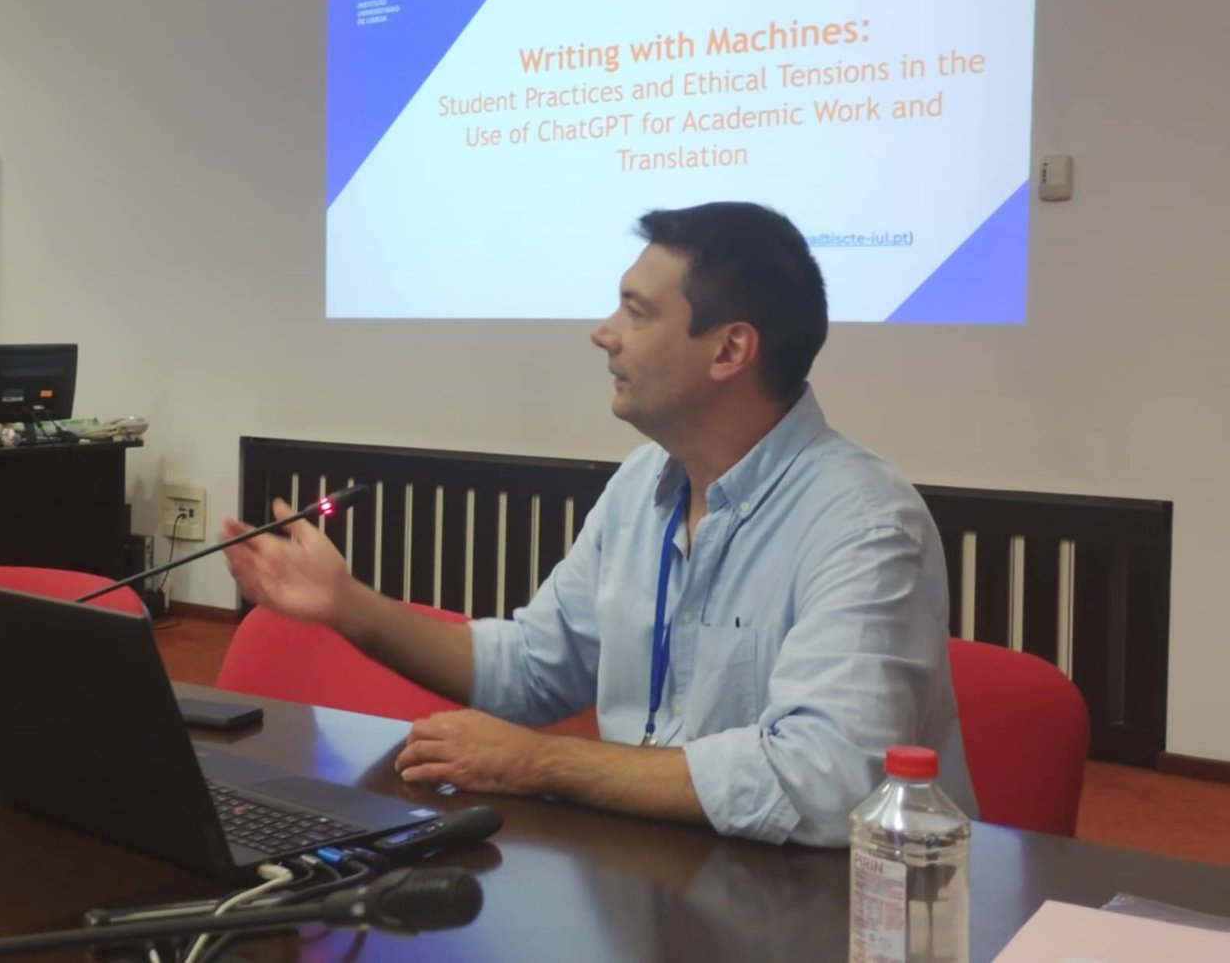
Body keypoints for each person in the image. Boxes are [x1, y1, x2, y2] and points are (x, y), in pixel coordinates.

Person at [223, 202, 974, 846]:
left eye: (636, 312)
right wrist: (348, 604)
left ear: (730, 349)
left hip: (819, 913)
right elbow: (530, 668)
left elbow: (829, 781)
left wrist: (542, 762)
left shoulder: (865, 524)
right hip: (652, 871)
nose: (603, 333)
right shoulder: (643, 485)